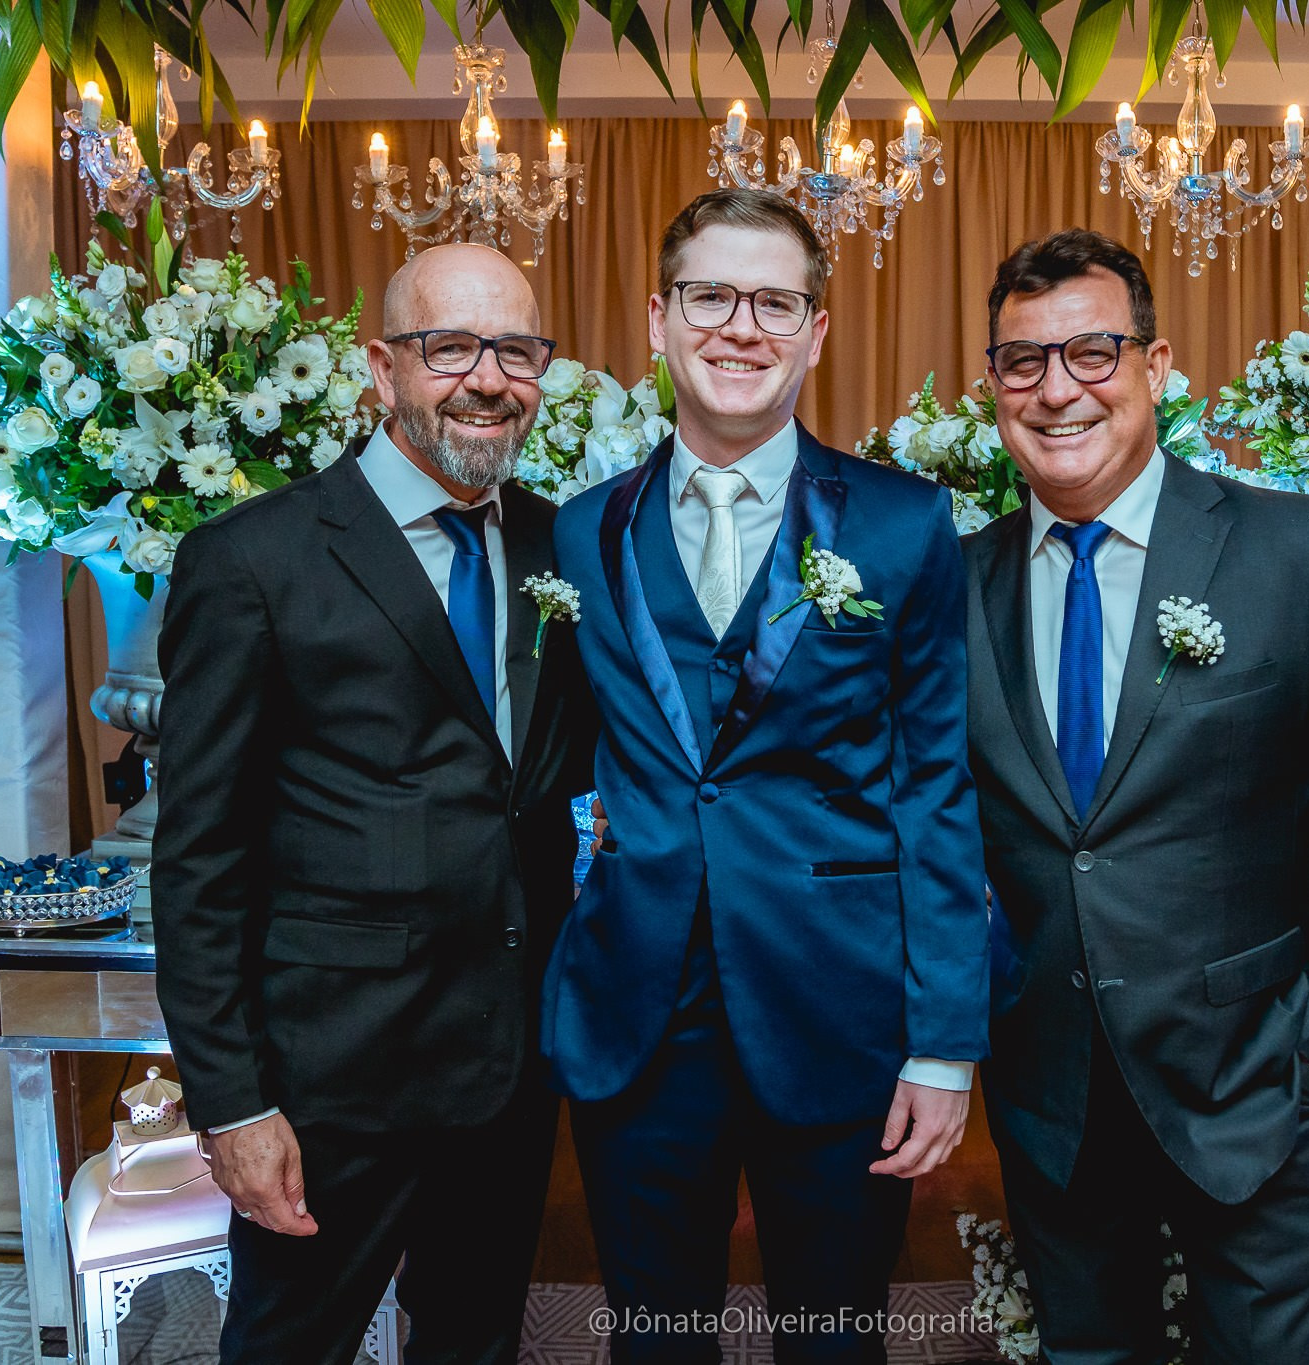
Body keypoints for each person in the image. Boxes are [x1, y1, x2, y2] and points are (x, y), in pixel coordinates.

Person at [961, 228, 1309, 1363]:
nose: (1056, 392)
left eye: (1092, 353)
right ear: (993, 384)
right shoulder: (958, 581)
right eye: (1021, 364)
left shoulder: (1297, 551)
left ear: (1157, 365)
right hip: (1049, 1089)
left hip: (1251, 1075)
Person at [543, 188, 990, 1365]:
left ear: (814, 330)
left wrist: (943, 1042)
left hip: (837, 1004)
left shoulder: (901, 527)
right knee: (655, 1333)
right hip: (636, 1008)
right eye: (710, 296)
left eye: (774, 302)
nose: (740, 328)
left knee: (833, 1333)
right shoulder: (579, 532)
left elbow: (937, 785)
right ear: (657, 316)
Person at [152, 243, 593, 1365]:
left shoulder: (561, 546)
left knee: (476, 1342)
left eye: (516, 350)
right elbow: (198, 858)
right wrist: (233, 1105)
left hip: (503, 1063)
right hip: (327, 1080)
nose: (487, 378)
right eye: (449, 347)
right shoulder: (251, 558)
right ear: (378, 368)